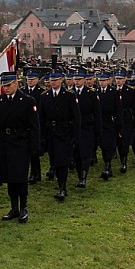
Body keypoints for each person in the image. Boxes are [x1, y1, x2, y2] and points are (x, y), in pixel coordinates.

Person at [0, 72, 40, 222]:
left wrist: (34, 147)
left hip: (21, 143)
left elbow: (34, 126)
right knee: (9, 177)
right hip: (5, 143)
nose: (6, 88)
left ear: (16, 84)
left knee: (20, 178)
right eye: (4, 86)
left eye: (8, 85)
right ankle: (14, 207)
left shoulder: (27, 101)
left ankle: (23, 207)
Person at [37, 70, 80, 201]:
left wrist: (75, 135)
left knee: (63, 160)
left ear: (61, 80)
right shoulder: (45, 96)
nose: (53, 83)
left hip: (65, 131)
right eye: (51, 80)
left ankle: (62, 187)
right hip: (51, 132)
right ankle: (60, 184)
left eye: (55, 80)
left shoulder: (69, 95)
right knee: (54, 159)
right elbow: (41, 117)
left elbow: (76, 117)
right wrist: (42, 136)